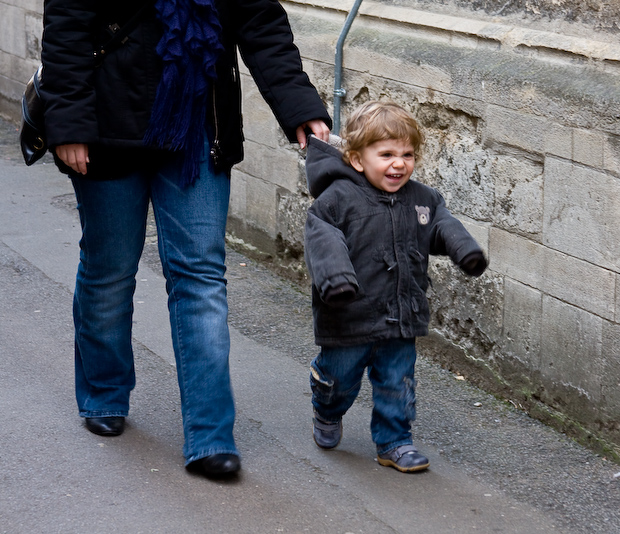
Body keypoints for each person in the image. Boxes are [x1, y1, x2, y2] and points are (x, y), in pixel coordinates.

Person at [40, 0, 331, 478]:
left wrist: (299, 106)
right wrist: (68, 123)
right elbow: (67, 27)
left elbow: (258, 19)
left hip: (197, 124)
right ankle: (104, 393)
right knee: (109, 268)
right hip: (108, 123)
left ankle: (210, 434)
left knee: (200, 275)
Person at [303, 101, 487, 473]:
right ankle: (326, 408)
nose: (399, 164)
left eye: (407, 154)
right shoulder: (336, 201)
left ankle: (394, 442)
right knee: (340, 382)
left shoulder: (423, 199)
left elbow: (441, 225)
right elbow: (323, 241)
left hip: (402, 314)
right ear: (357, 159)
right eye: (386, 154)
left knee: (396, 383)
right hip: (348, 315)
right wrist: (336, 280)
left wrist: (464, 250)